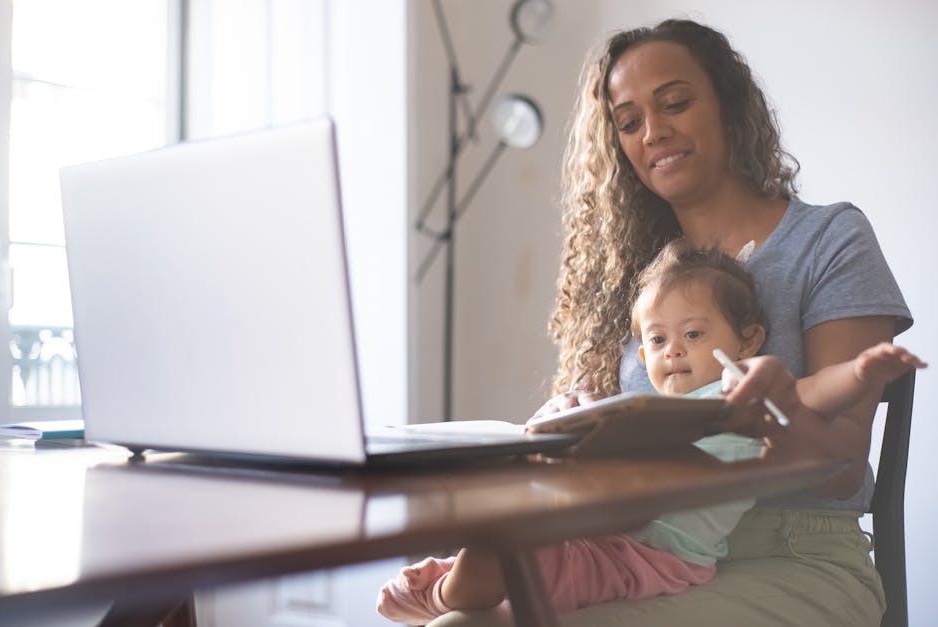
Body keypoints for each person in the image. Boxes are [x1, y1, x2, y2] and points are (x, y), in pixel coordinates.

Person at [423, 17, 914, 627]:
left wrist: (771, 420)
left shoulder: (830, 239)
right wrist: (572, 420)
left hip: (794, 555)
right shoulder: (636, 282)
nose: (654, 132)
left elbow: (842, 469)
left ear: (728, 106)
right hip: (637, 556)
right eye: (628, 122)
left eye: (675, 103)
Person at [377, 243, 925, 625]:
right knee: (509, 535)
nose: (674, 351)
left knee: (508, 554)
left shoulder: (745, 397)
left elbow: (814, 390)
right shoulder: (643, 410)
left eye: (692, 333)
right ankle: (448, 585)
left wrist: (859, 373)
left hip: (652, 557)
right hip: (605, 530)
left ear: (747, 340)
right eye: (658, 341)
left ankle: (441, 591)